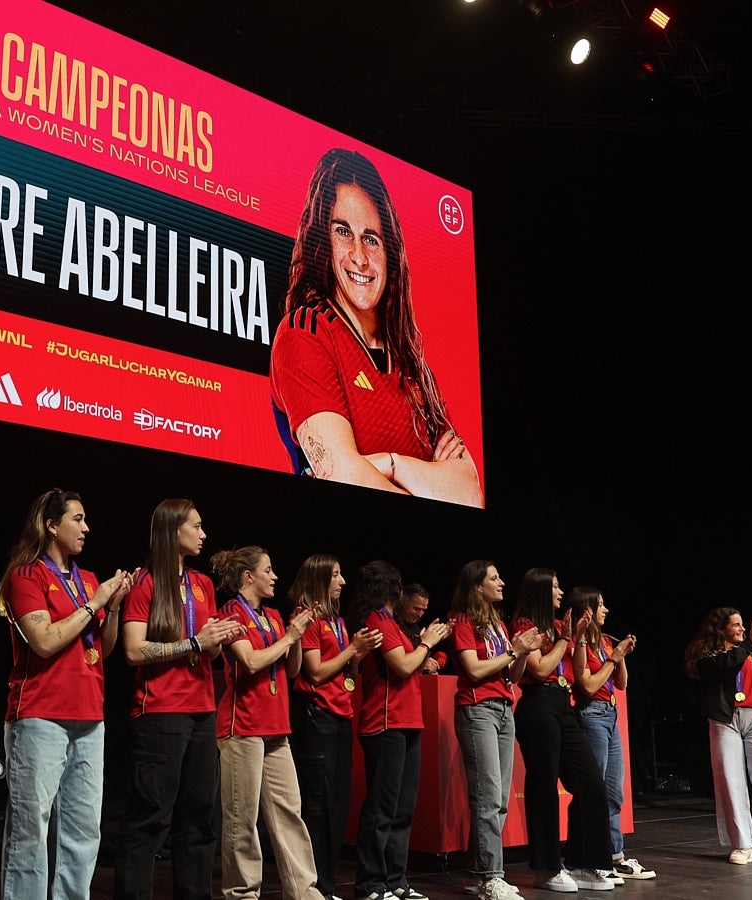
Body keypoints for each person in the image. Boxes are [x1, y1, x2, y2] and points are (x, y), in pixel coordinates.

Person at [269, 147, 481, 507]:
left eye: (371, 238)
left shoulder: (412, 365)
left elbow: (470, 496)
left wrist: (392, 465)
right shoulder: (305, 332)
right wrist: (426, 477)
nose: (359, 257)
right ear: (323, 240)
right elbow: (341, 476)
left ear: (389, 251)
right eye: (342, 232)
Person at [0, 488, 139, 898]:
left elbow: (103, 649)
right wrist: (95, 603)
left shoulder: (88, 578)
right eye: (77, 518)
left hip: (90, 717)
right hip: (39, 715)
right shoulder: (26, 575)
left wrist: (117, 605)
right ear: (51, 525)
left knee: (83, 828)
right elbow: (43, 640)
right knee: (30, 828)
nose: (86, 527)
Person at [113, 499, 245, 900]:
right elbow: (134, 651)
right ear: (174, 532)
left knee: (200, 821)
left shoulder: (202, 583)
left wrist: (218, 639)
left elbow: (209, 651)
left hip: (202, 712)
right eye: (197, 526)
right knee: (150, 820)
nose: (204, 535)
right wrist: (193, 641)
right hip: (160, 713)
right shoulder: (145, 583)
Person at [210, 546, 322, 900]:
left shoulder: (273, 615)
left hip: (276, 726)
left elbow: (290, 671)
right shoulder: (231, 612)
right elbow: (251, 661)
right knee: (243, 819)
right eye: (268, 570)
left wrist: (297, 636)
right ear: (248, 576)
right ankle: (242, 893)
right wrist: (289, 638)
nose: (275, 577)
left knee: (290, 812)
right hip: (242, 725)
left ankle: (304, 891)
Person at [346, 560, 452, 900]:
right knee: (382, 807)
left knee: (403, 808)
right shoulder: (377, 619)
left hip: (408, 720)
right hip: (385, 720)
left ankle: (396, 880)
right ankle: (370, 883)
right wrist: (427, 642)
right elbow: (404, 665)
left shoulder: (392, 622)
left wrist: (425, 647)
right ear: (392, 587)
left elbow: (414, 663)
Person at [509, 570, 614, 893]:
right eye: (554, 586)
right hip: (538, 704)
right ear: (540, 590)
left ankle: (584, 862)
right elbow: (539, 669)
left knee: (591, 782)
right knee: (543, 786)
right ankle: (546, 867)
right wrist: (567, 639)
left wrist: (578, 637)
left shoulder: (559, 627)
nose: (560, 591)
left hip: (563, 703)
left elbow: (577, 666)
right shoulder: (525, 625)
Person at [445, 560, 542, 900]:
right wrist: (515, 649)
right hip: (477, 710)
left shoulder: (497, 623)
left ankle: (476, 873)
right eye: (494, 578)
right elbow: (472, 669)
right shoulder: (461, 621)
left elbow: (512, 677)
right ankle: (490, 876)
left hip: (503, 708)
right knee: (487, 799)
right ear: (477, 586)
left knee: (498, 800)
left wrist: (523, 653)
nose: (502, 582)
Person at [289, 554, 382, 900]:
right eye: (336, 576)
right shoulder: (306, 617)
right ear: (319, 580)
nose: (342, 582)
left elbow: (345, 675)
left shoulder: (338, 622)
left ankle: (326, 885)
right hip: (317, 717)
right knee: (318, 804)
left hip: (341, 714)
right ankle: (315, 886)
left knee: (338, 804)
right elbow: (313, 672)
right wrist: (352, 651)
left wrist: (356, 657)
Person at [683, 607, 752, 865]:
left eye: (743, 625)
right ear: (720, 628)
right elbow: (725, 666)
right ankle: (742, 844)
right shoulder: (708, 655)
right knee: (731, 782)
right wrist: (748, 646)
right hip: (726, 720)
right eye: (736, 625)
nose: (743, 630)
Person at [566, 586, 657, 881]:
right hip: (590, 716)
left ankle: (616, 855)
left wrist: (621, 655)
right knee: (595, 791)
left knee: (614, 792)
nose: (606, 611)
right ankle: (595, 857)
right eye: (601, 606)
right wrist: (613, 657)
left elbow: (622, 683)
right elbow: (589, 685)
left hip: (611, 715)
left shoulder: (606, 641)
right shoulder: (578, 643)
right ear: (588, 610)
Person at [399, 583, 447, 675]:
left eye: (423, 610)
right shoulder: (392, 625)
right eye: (416, 609)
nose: (420, 614)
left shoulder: (415, 627)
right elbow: (403, 666)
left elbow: (417, 669)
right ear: (404, 602)